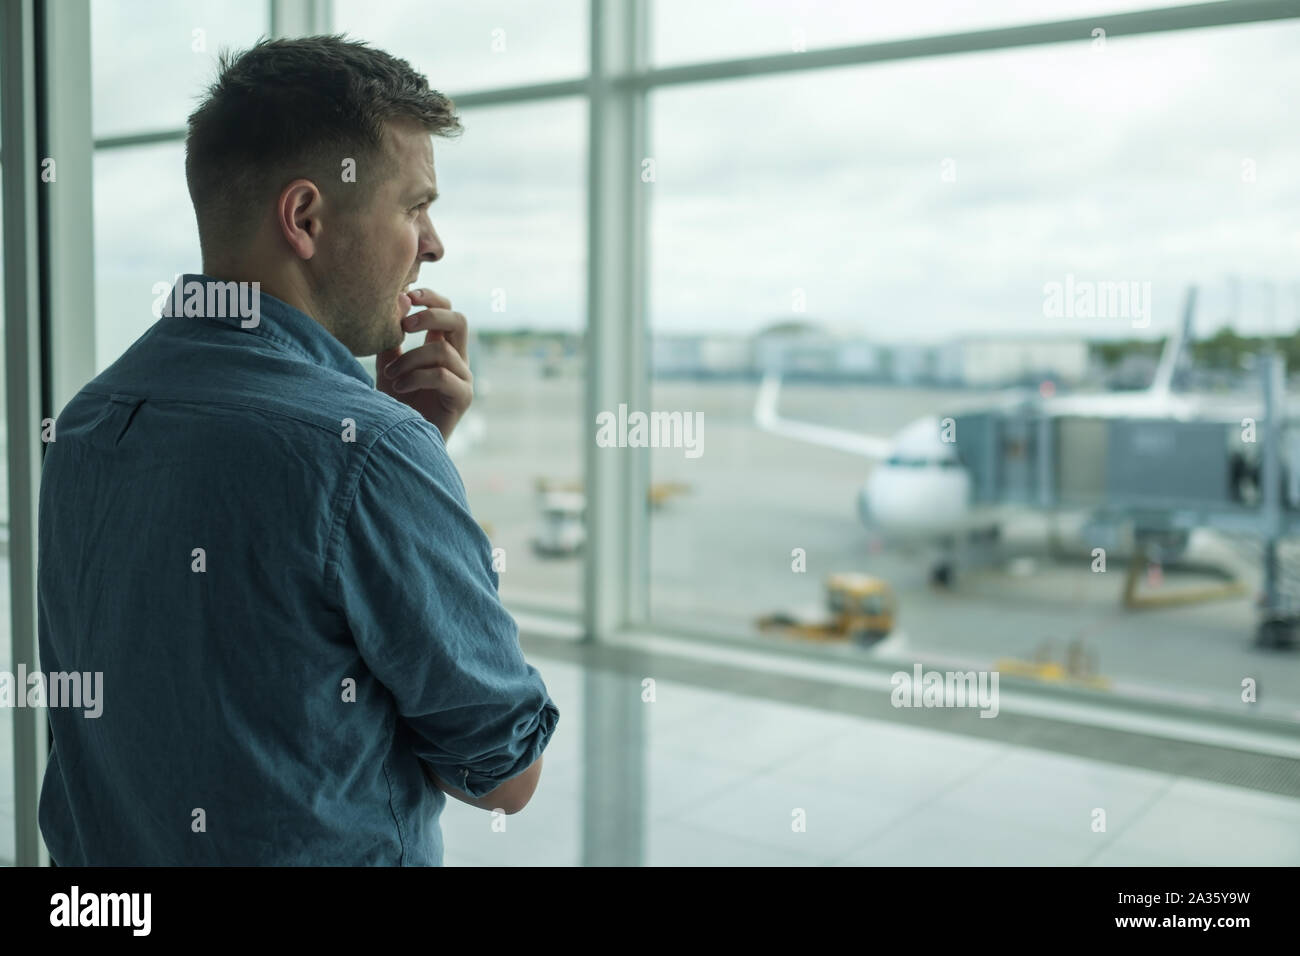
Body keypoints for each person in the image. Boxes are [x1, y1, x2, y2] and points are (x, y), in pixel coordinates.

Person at [37, 35, 557, 866]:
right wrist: (407, 459)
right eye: (415, 205)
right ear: (307, 218)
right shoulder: (374, 458)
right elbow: (504, 771)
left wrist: (389, 445)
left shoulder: (89, 424)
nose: (433, 244)